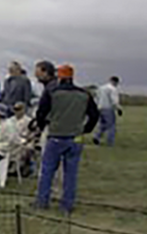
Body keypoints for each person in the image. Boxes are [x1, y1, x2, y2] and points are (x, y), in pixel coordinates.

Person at [33, 64, 99, 214]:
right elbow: (94, 115)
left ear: (60, 77)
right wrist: (85, 129)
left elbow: (41, 113)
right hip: (75, 137)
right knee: (71, 174)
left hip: (55, 135)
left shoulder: (52, 93)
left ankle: (42, 201)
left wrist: (43, 126)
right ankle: (67, 205)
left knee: (47, 171)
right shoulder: (84, 94)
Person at [93, 76, 123, 146]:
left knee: (102, 124)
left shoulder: (101, 88)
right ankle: (110, 142)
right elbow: (114, 101)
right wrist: (119, 109)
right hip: (108, 108)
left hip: (99, 108)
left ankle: (96, 137)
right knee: (111, 126)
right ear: (116, 82)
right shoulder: (113, 89)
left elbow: (96, 98)